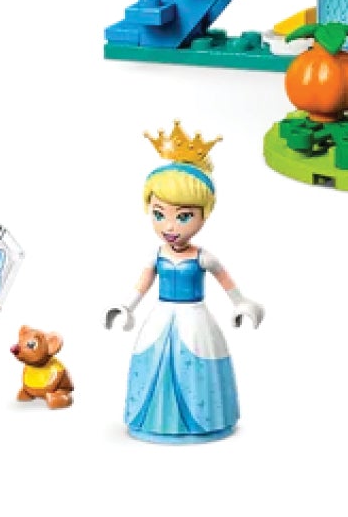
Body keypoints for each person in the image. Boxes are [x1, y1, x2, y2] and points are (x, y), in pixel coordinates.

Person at [106, 122, 263, 443]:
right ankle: (151, 420)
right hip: (160, 318)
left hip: (195, 319)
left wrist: (241, 303)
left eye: (183, 216)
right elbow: (142, 284)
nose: (170, 227)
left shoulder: (203, 257)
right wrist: (125, 307)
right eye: (159, 214)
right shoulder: (156, 256)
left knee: (196, 366)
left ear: (204, 214)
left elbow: (227, 283)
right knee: (153, 362)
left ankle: (202, 422)